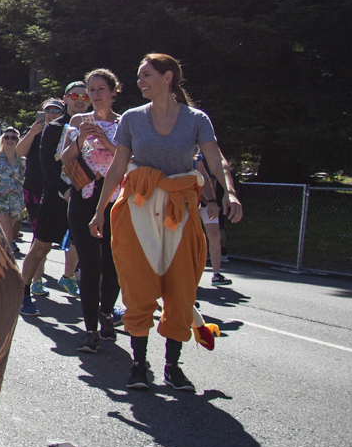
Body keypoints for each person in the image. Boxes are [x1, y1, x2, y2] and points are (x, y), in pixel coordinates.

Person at [92, 53, 243, 391]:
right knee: (139, 286)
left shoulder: (196, 119)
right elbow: (118, 167)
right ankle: (138, 364)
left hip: (180, 208)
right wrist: (100, 209)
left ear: (168, 77)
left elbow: (215, 160)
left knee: (181, 287)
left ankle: (173, 367)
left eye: (146, 75)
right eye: (139, 76)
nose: (140, 82)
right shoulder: (131, 118)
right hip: (138, 206)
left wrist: (229, 192)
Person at [58, 70, 124, 351]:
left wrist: (106, 141)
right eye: (90, 91)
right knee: (88, 262)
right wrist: (82, 138)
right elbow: (64, 158)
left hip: (115, 199)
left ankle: (107, 312)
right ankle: (90, 329)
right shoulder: (77, 121)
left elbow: (129, 160)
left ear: (113, 91)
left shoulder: (125, 123)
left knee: (112, 262)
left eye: (100, 89)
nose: (95, 95)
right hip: (84, 196)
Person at [19, 95, 72, 305]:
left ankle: (68, 277)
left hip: (59, 189)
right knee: (39, 238)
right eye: (48, 110)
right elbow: (19, 151)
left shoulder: (68, 130)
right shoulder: (36, 132)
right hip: (35, 187)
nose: (52, 114)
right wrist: (33, 131)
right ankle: (36, 280)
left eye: (57, 110)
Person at [0, 126, 31, 311]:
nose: (10, 140)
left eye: (14, 138)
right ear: (2, 139)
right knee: (7, 243)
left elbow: (25, 183)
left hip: (15, 207)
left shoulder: (22, 162)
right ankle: (7, 284)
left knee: (2, 244)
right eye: (7, 137)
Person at [195, 150, 233, 287]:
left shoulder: (207, 158)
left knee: (215, 236)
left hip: (207, 203)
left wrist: (212, 201)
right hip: (190, 200)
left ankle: (216, 273)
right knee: (190, 238)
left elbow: (212, 182)